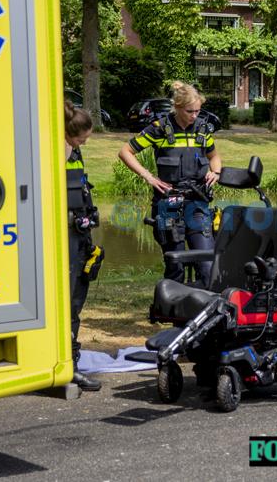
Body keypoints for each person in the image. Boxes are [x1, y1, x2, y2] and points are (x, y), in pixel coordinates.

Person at [118, 81, 222, 286]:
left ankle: (204, 302)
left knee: (208, 263)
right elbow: (125, 152)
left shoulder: (202, 128)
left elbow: (214, 156)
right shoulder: (159, 129)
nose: (195, 115)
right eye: (190, 111)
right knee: (175, 265)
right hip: (168, 206)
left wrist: (216, 171)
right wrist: (148, 176)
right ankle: (174, 302)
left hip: (198, 204)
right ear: (177, 107)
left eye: (198, 111)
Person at [65, 100, 104, 392]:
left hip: (80, 237)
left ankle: (71, 363)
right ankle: (67, 366)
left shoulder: (74, 152)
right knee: (67, 304)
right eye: (81, 138)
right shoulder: (57, 153)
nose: (84, 143)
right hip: (64, 239)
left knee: (77, 301)